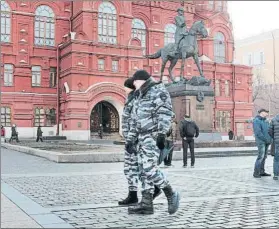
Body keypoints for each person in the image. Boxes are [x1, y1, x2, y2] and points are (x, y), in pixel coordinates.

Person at [125, 69, 180, 215]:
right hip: (141, 138)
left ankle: (171, 193)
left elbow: (165, 112)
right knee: (143, 171)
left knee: (149, 168)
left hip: (152, 136)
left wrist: (162, 133)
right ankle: (146, 203)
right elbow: (135, 121)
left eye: (134, 81)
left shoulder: (157, 91)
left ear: (139, 80)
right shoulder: (140, 96)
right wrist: (130, 140)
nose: (133, 84)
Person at [118, 79, 162, 205]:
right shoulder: (131, 98)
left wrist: (134, 139)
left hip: (138, 140)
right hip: (130, 139)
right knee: (130, 168)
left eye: (125, 87)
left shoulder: (138, 99)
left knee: (143, 168)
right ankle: (132, 195)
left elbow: (137, 120)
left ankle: (154, 189)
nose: (124, 89)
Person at [253, 109, 272, 178]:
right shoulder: (256, 120)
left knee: (264, 157)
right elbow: (258, 133)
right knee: (260, 157)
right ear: (261, 113)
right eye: (266, 112)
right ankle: (256, 173)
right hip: (261, 142)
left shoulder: (266, 121)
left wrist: (270, 139)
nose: (267, 114)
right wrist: (266, 139)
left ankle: (262, 171)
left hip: (267, 141)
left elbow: (269, 130)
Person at [268, 113, 279, 180]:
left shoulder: (274, 119)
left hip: (277, 142)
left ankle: (276, 175)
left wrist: (275, 138)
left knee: (276, 159)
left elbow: (269, 131)